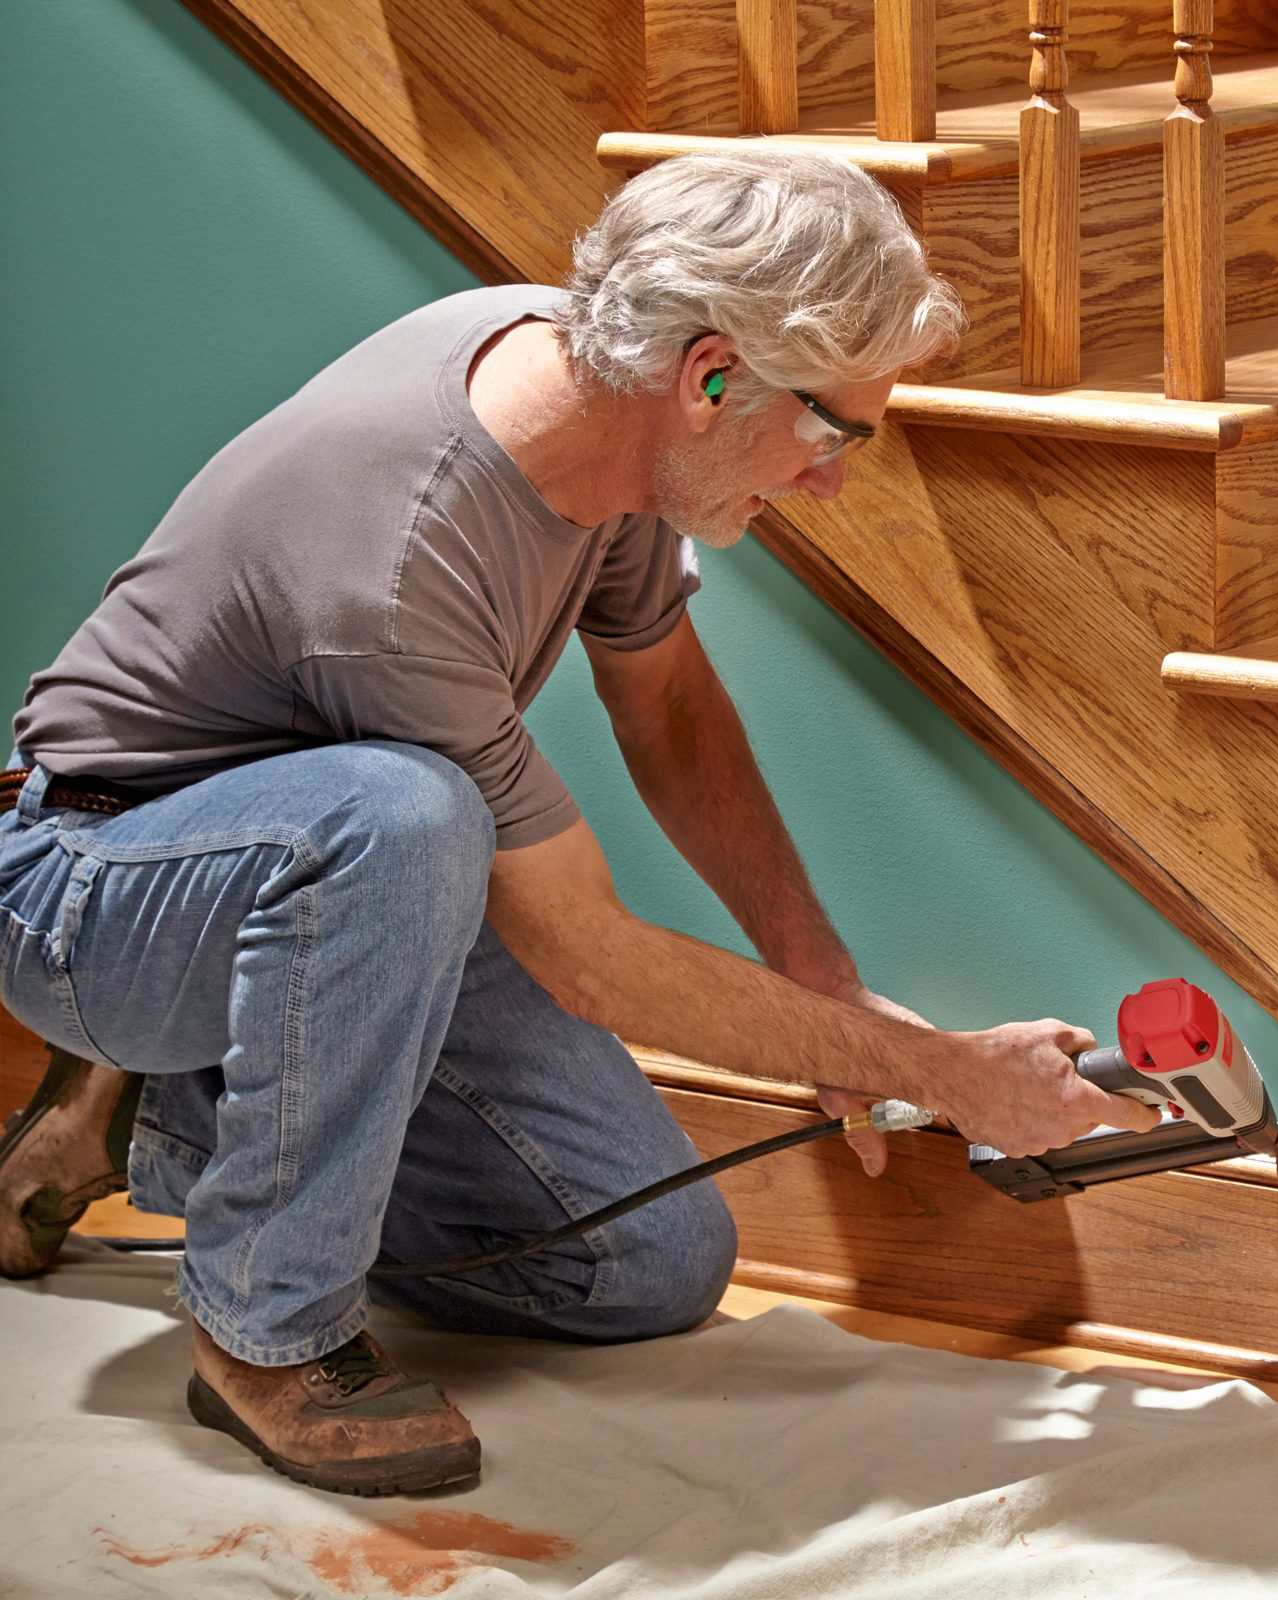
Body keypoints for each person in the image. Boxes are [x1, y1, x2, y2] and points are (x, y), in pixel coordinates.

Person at [0, 150, 1158, 1496]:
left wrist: (821, 978)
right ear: (713, 375)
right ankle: (264, 1331)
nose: (834, 480)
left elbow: (667, 705)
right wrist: (962, 1078)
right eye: (834, 431)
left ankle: (188, 1108)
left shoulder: (604, 414)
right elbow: (590, 958)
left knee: (645, 1268)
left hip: (342, 892)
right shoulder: (404, 553)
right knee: (410, 811)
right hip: (96, 884)